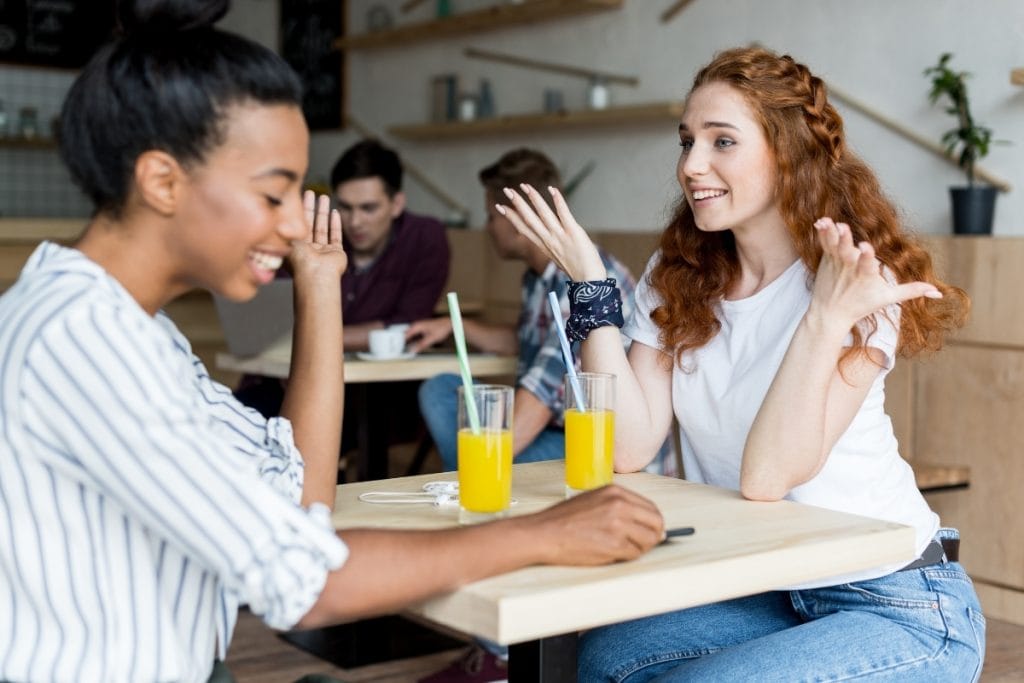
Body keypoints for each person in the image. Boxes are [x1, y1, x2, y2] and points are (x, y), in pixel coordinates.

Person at [0, 3, 667, 682]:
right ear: (163, 181)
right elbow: (306, 582)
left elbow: (299, 499)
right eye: (274, 194)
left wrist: (319, 285)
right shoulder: (80, 341)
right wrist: (545, 531)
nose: (296, 224)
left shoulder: (138, 335)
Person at [501, 46, 985, 682]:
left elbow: (768, 476)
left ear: (787, 153)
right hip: (770, 589)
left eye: (722, 141)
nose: (692, 165)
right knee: (604, 663)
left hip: (897, 602)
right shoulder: (678, 276)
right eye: (686, 141)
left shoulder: (854, 280)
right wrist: (591, 286)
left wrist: (822, 319)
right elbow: (628, 446)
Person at [408, 149, 638, 472]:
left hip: (595, 447)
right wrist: (453, 325)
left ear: (518, 217)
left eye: (491, 216)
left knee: (473, 440)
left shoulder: (582, 278)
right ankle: (474, 478)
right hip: (553, 428)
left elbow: (542, 395)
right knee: (439, 391)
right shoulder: (537, 277)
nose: (487, 227)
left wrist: (483, 461)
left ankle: (474, 479)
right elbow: (528, 341)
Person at [331, 138, 450, 351]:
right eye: (345, 208)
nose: (354, 222)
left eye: (368, 208)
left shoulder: (424, 237)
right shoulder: (319, 236)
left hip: (388, 378)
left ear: (396, 204)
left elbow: (407, 326)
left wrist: (315, 338)